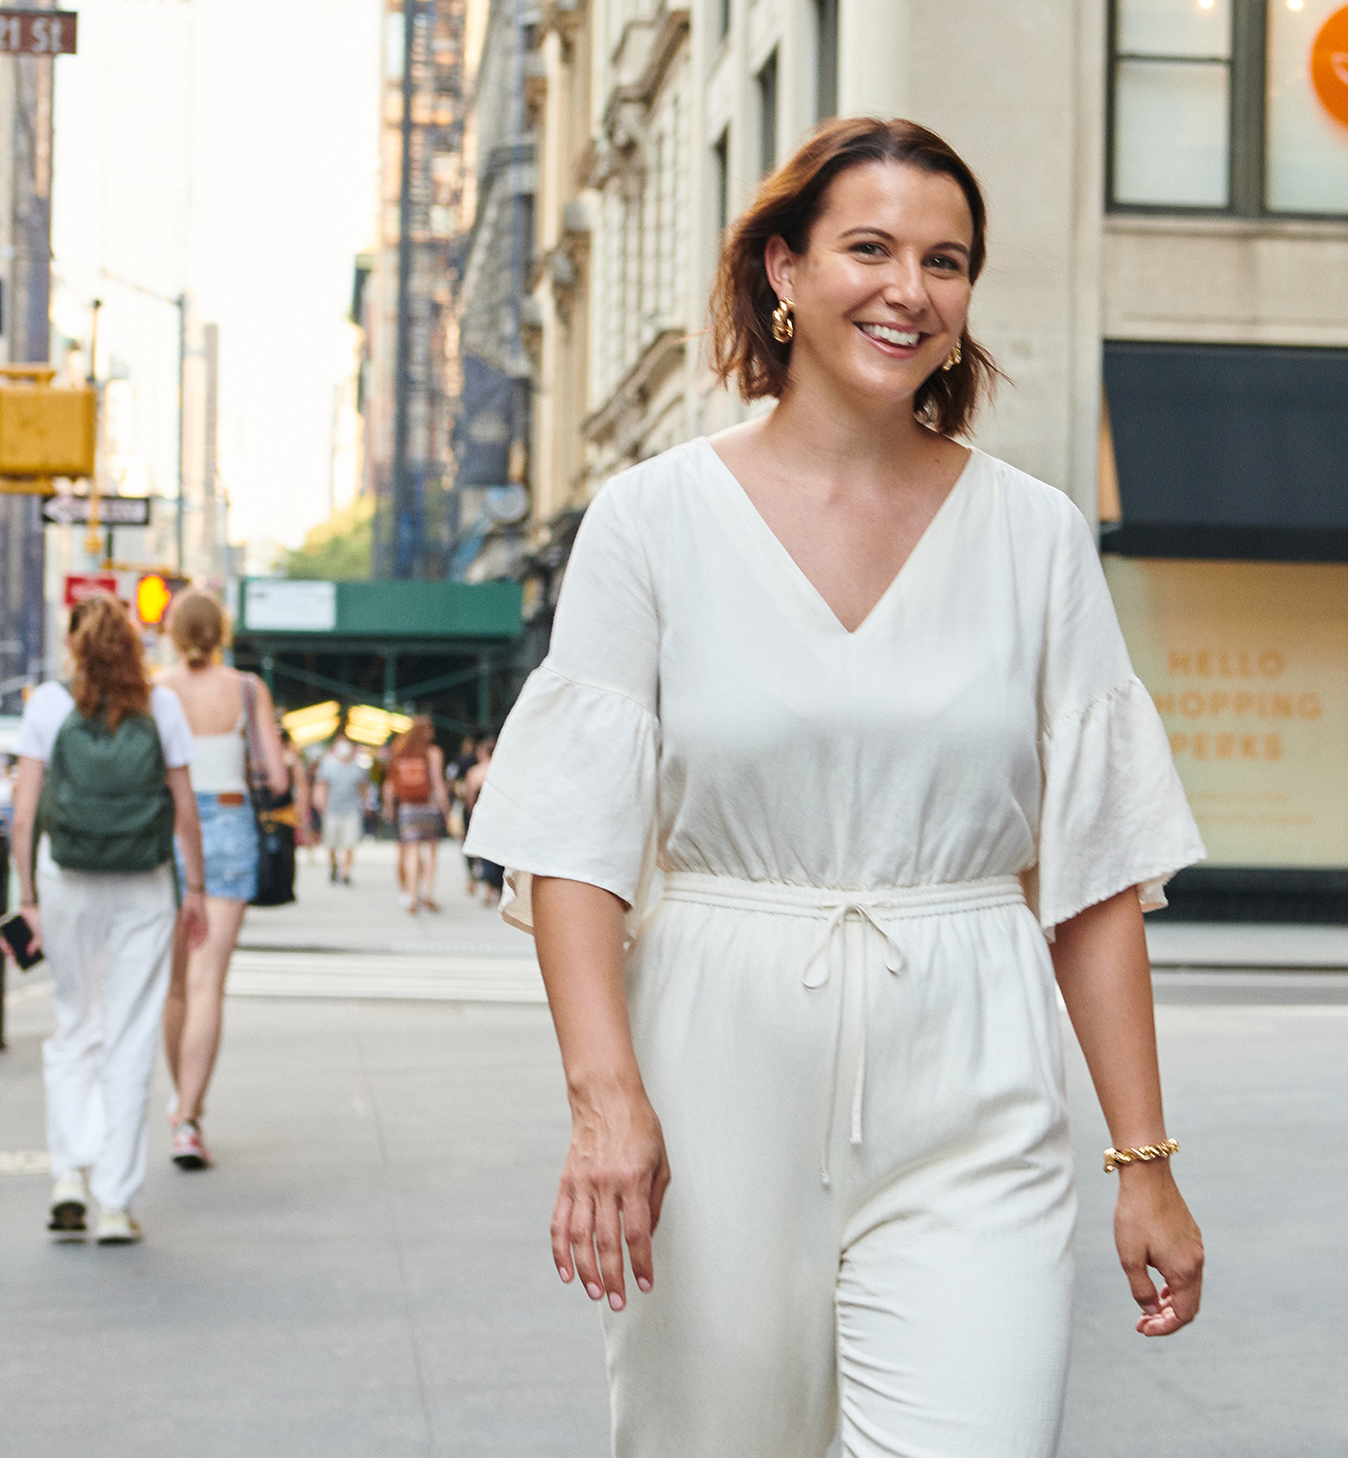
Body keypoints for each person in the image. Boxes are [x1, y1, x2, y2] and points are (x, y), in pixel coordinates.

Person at [461, 116, 1209, 1456]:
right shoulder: (650, 521)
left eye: (947, 259)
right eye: (869, 247)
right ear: (783, 273)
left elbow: (1093, 871)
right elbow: (573, 840)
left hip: (972, 1053)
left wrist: (1142, 1159)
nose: (909, 289)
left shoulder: (1034, 536)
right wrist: (604, 1100)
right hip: (712, 1055)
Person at [7, 595, 209, 1245]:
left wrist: (28, 897)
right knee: (129, 1037)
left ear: (73, 646)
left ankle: (69, 1176)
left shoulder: (46, 704)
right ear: (130, 644)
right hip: (143, 887)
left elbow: (22, 814)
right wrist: (197, 888)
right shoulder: (163, 706)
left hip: (66, 880)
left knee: (75, 1028)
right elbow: (183, 809)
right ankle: (116, 1203)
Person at [153, 591, 292, 1173]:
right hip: (232, 823)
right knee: (210, 980)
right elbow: (277, 776)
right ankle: (189, 1115)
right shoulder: (246, 689)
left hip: (170, 828)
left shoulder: (158, 689)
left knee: (175, 982)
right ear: (222, 632)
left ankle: (186, 1104)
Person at [387, 716, 446, 913]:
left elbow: (390, 784)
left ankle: (412, 896)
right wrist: (445, 807)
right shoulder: (433, 753)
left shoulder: (400, 752)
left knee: (412, 850)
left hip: (407, 807)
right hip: (428, 807)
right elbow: (437, 784)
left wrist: (390, 807)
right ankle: (428, 893)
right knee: (431, 851)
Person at [315, 732, 370, 886]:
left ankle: (346, 873)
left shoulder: (358, 768)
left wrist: (364, 804)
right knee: (331, 844)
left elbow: (363, 787)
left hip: (351, 811)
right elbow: (322, 786)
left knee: (349, 844)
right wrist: (321, 803)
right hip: (332, 811)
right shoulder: (327, 765)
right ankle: (334, 865)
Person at [460, 736, 500, 906]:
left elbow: (469, 798)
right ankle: (498, 889)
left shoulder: (475, 772)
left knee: (482, 854)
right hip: (498, 817)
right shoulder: (501, 770)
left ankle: (486, 891)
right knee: (497, 853)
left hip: (481, 816)